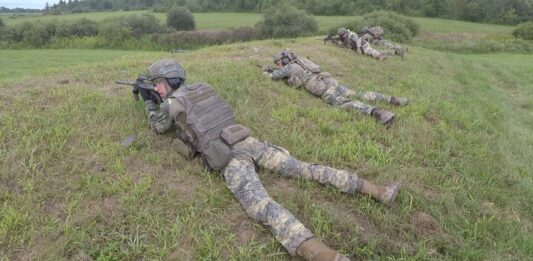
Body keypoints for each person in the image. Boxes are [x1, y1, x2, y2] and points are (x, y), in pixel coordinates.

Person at [140, 58, 401, 261]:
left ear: (169, 81)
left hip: (229, 156)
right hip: (247, 139)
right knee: (303, 168)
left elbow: (159, 127)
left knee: (261, 204)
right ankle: (377, 190)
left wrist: (150, 104)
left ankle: (321, 254)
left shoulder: (170, 103)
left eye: (157, 83)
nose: (155, 87)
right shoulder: (204, 87)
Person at [264, 50, 408, 125]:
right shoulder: (301, 61)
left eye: (278, 63)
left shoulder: (288, 67)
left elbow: (272, 76)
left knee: (343, 103)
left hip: (323, 89)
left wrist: (267, 71)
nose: (279, 66)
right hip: (330, 80)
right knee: (358, 94)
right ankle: (394, 100)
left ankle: (378, 113)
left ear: (283, 60)